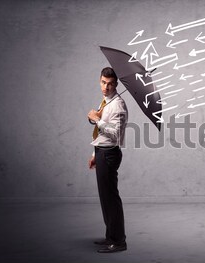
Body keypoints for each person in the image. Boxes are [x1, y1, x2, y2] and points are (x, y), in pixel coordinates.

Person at [87, 67, 128, 253]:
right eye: (104, 82)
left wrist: (97, 120)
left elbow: (116, 133)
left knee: (111, 199)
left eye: (110, 84)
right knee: (105, 198)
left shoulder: (118, 104)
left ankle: (118, 242)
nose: (106, 87)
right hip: (102, 152)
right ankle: (110, 236)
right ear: (99, 80)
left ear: (116, 84)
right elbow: (103, 132)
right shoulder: (106, 101)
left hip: (110, 154)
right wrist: (95, 154)